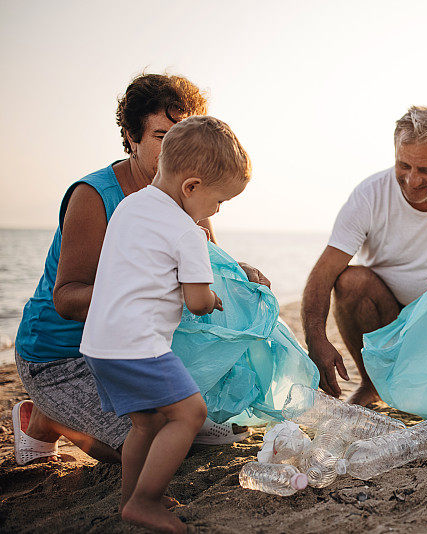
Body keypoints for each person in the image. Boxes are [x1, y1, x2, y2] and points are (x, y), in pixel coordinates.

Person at [12, 74, 266, 467]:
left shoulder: (188, 195)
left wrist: (239, 272)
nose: (175, 151)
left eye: (183, 136)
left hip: (137, 346)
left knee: (186, 433)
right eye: (162, 136)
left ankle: (62, 411)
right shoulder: (94, 196)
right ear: (130, 136)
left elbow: (203, 263)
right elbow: (66, 299)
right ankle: (47, 416)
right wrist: (139, 288)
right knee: (140, 448)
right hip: (62, 353)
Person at [78, 115, 250, 533]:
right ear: (190, 187)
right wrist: (212, 299)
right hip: (140, 346)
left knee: (147, 423)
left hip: (100, 345)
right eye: (219, 201)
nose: (216, 211)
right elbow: (196, 301)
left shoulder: (129, 206)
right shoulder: (188, 233)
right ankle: (146, 502)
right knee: (190, 415)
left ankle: (131, 496)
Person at [302, 106, 427, 405]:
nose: (412, 180)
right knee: (350, 281)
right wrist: (316, 340)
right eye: (404, 166)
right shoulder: (369, 194)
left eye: (426, 170)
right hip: (384, 316)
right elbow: (323, 273)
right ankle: (372, 384)